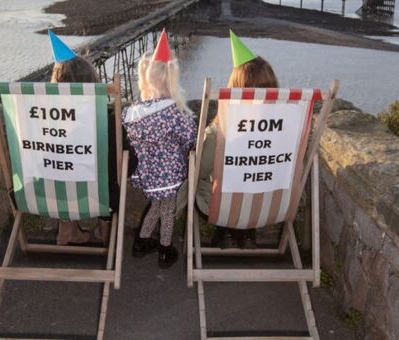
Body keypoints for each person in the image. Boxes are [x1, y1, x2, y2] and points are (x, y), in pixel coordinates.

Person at [187, 30, 279, 249]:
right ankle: (247, 234)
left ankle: (227, 231)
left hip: (221, 209)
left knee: (203, 176)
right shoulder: (285, 128)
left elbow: (199, 170)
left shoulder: (221, 131)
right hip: (269, 206)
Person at [122, 29, 197, 268]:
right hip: (170, 175)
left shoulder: (133, 112)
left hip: (147, 175)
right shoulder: (175, 112)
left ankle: (141, 242)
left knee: (156, 206)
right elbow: (190, 139)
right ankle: (165, 248)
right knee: (167, 210)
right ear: (171, 79)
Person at [47, 31, 120, 246]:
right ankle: (104, 228)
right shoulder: (104, 120)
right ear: (92, 82)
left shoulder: (42, 124)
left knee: (58, 170)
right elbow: (127, 162)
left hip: (49, 196)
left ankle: (67, 229)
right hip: (99, 199)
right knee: (112, 169)